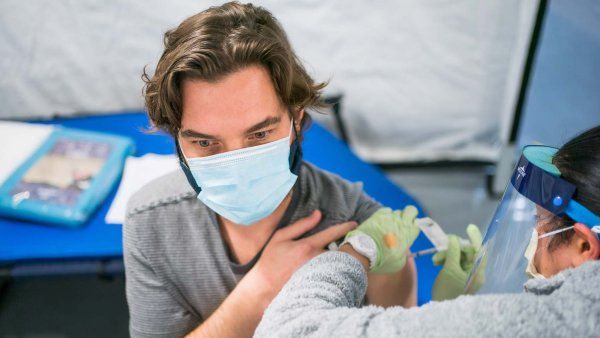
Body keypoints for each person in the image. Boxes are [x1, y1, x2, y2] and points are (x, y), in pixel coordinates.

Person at [123, 2, 418, 337]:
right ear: (176, 137)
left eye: (260, 134)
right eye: (205, 143)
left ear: (297, 116)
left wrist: (396, 273)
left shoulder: (362, 229)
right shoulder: (150, 222)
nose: (236, 165)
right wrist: (258, 292)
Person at [255, 125, 600, 337]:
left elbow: (288, 332)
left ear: (585, 246)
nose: (533, 238)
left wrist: (356, 250)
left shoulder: (550, 322)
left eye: (541, 223)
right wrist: (448, 310)